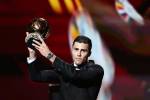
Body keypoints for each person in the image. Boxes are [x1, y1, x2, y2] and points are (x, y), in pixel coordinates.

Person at [26, 33, 104, 100]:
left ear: (89, 53)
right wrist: (32, 53)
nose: (79, 54)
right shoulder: (63, 71)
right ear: (72, 50)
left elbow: (75, 75)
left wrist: (50, 55)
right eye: (76, 49)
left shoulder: (96, 70)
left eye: (83, 50)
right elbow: (36, 76)